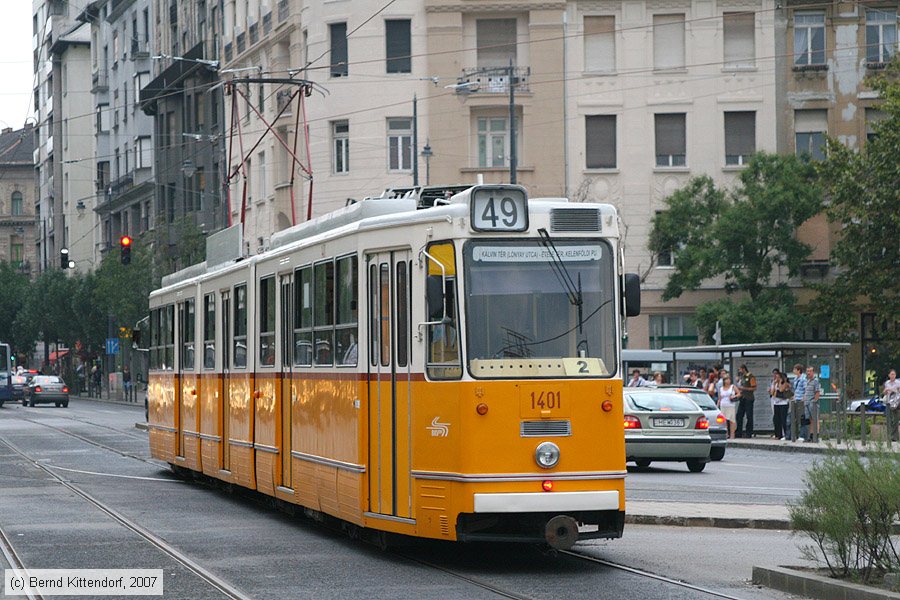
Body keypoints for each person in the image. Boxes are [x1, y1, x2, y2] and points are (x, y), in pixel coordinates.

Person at [799, 366, 821, 442]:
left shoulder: (815, 381)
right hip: (807, 403)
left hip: (812, 403)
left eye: (810, 371)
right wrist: (804, 398)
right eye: (807, 371)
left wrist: (814, 401)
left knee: (815, 419)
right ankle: (811, 435)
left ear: (813, 372)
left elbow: (817, 392)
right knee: (810, 419)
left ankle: (816, 435)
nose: (808, 373)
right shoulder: (808, 381)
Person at [735, 364, 757, 438]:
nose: (739, 371)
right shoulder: (742, 377)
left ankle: (749, 432)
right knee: (739, 415)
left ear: (743, 369)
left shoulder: (751, 377)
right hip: (742, 398)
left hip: (749, 398)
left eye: (740, 369)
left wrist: (744, 388)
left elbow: (754, 388)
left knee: (749, 416)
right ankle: (739, 432)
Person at [770, 370, 791, 440]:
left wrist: (779, 382)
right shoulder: (775, 383)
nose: (776, 378)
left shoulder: (786, 383)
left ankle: (786, 434)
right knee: (776, 419)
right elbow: (772, 392)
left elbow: (781, 390)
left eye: (778, 377)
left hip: (783, 403)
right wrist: (774, 383)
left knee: (783, 419)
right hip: (776, 403)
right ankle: (778, 434)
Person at [883, 369, 900, 441]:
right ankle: (890, 436)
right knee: (889, 420)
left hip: (897, 403)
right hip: (889, 402)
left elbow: (898, 391)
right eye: (891, 374)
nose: (893, 376)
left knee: (896, 420)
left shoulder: (898, 382)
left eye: (894, 374)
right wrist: (886, 391)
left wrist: (892, 389)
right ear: (889, 375)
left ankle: (895, 437)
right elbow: (884, 392)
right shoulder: (887, 383)